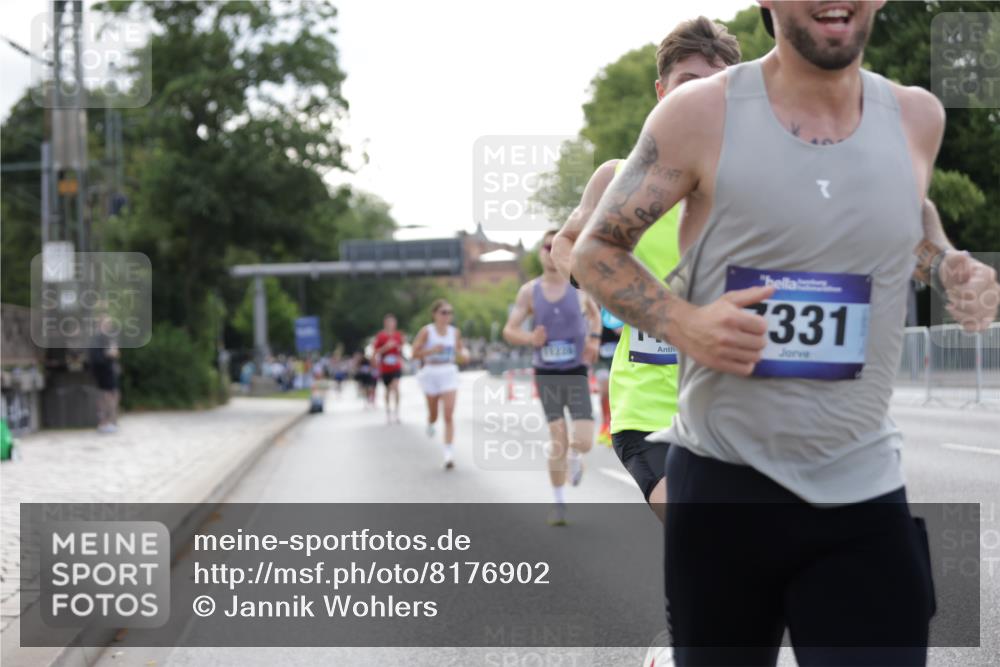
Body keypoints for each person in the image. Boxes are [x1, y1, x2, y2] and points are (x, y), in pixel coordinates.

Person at [572, 2, 999, 665]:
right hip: (724, 484)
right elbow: (594, 251)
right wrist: (687, 323)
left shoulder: (915, 118)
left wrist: (951, 270)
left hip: (862, 485)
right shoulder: (697, 117)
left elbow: (912, 221)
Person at [552, 16, 740, 517]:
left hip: (741, 405)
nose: (705, 98)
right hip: (651, 406)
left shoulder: (762, 181)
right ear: (662, 92)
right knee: (695, 529)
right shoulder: (620, 177)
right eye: (688, 85)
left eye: (720, 85)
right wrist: (611, 285)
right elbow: (567, 244)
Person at [503, 229, 601, 526]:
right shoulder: (529, 291)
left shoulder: (580, 288)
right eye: (545, 246)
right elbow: (510, 330)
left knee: (583, 440)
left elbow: (595, 316)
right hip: (546, 373)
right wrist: (529, 337)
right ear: (540, 253)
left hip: (576, 370)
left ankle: (575, 456)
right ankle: (558, 503)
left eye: (555, 246)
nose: (549, 251)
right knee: (557, 436)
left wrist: (594, 339)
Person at [411, 299, 468, 470]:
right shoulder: (426, 332)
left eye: (449, 312)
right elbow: (414, 353)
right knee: (434, 414)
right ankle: (430, 421)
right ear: (435, 314)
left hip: (448, 371)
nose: (447, 316)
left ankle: (448, 453)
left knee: (449, 414)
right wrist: (431, 350)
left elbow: (460, 349)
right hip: (430, 372)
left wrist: (464, 354)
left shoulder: (454, 332)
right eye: (443, 312)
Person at [89, 314, 121, 434]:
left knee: (113, 395)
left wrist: (113, 355)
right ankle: (104, 422)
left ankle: (111, 421)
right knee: (105, 396)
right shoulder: (96, 338)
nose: (109, 326)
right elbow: (96, 357)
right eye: (106, 324)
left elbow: (115, 353)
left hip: (109, 370)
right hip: (102, 371)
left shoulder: (108, 338)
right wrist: (109, 354)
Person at [373, 314, 405, 423]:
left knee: (396, 387)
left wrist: (401, 359)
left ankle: (397, 412)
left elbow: (401, 350)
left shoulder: (398, 335)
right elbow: (376, 351)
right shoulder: (381, 336)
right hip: (385, 368)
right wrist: (386, 347)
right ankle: (388, 412)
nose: (391, 324)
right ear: (385, 323)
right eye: (389, 322)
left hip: (396, 366)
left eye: (393, 322)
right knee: (387, 390)